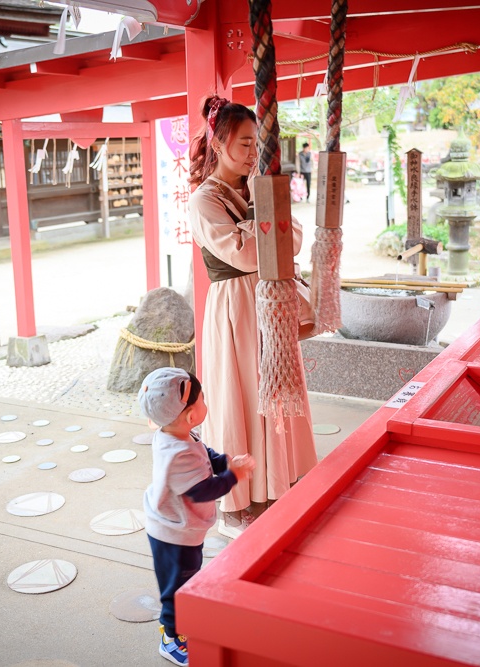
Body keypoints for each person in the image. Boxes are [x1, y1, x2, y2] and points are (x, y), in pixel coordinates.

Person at [187, 96, 318, 539]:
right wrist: (266, 220)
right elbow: (244, 254)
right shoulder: (204, 200)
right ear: (219, 143)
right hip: (236, 309)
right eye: (244, 143)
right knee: (241, 396)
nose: (251, 152)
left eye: (255, 143)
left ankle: (283, 483)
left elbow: (293, 240)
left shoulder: (257, 186)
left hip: (269, 305)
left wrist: (266, 215)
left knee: (279, 389)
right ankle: (244, 502)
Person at [140, 367, 255, 666]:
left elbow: (203, 454)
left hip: (180, 526)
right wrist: (234, 476)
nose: (207, 402)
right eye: (202, 399)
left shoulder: (176, 432)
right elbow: (202, 490)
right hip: (173, 533)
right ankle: (171, 638)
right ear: (191, 415)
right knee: (176, 587)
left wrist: (223, 461)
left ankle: (179, 624)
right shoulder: (176, 453)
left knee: (185, 578)